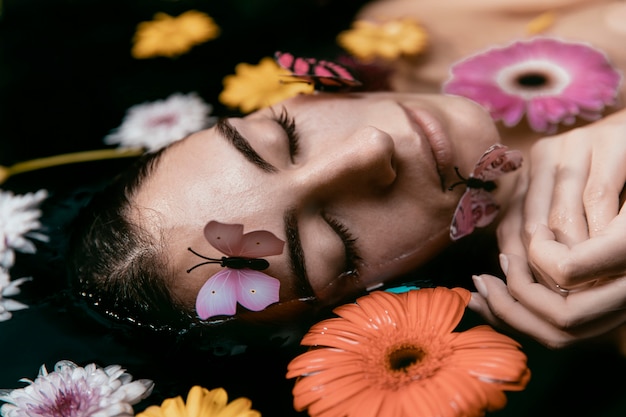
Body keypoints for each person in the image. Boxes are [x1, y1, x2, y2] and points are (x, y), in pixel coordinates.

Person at [67, 0, 626, 352]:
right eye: (337, 237)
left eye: (285, 134)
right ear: (392, 300)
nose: (368, 150)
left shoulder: (414, 22)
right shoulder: (611, 298)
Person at [353, 0, 626, 348]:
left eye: (284, 141)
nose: (370, 149)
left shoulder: (400, 28)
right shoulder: (597, 264)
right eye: (340, 236)